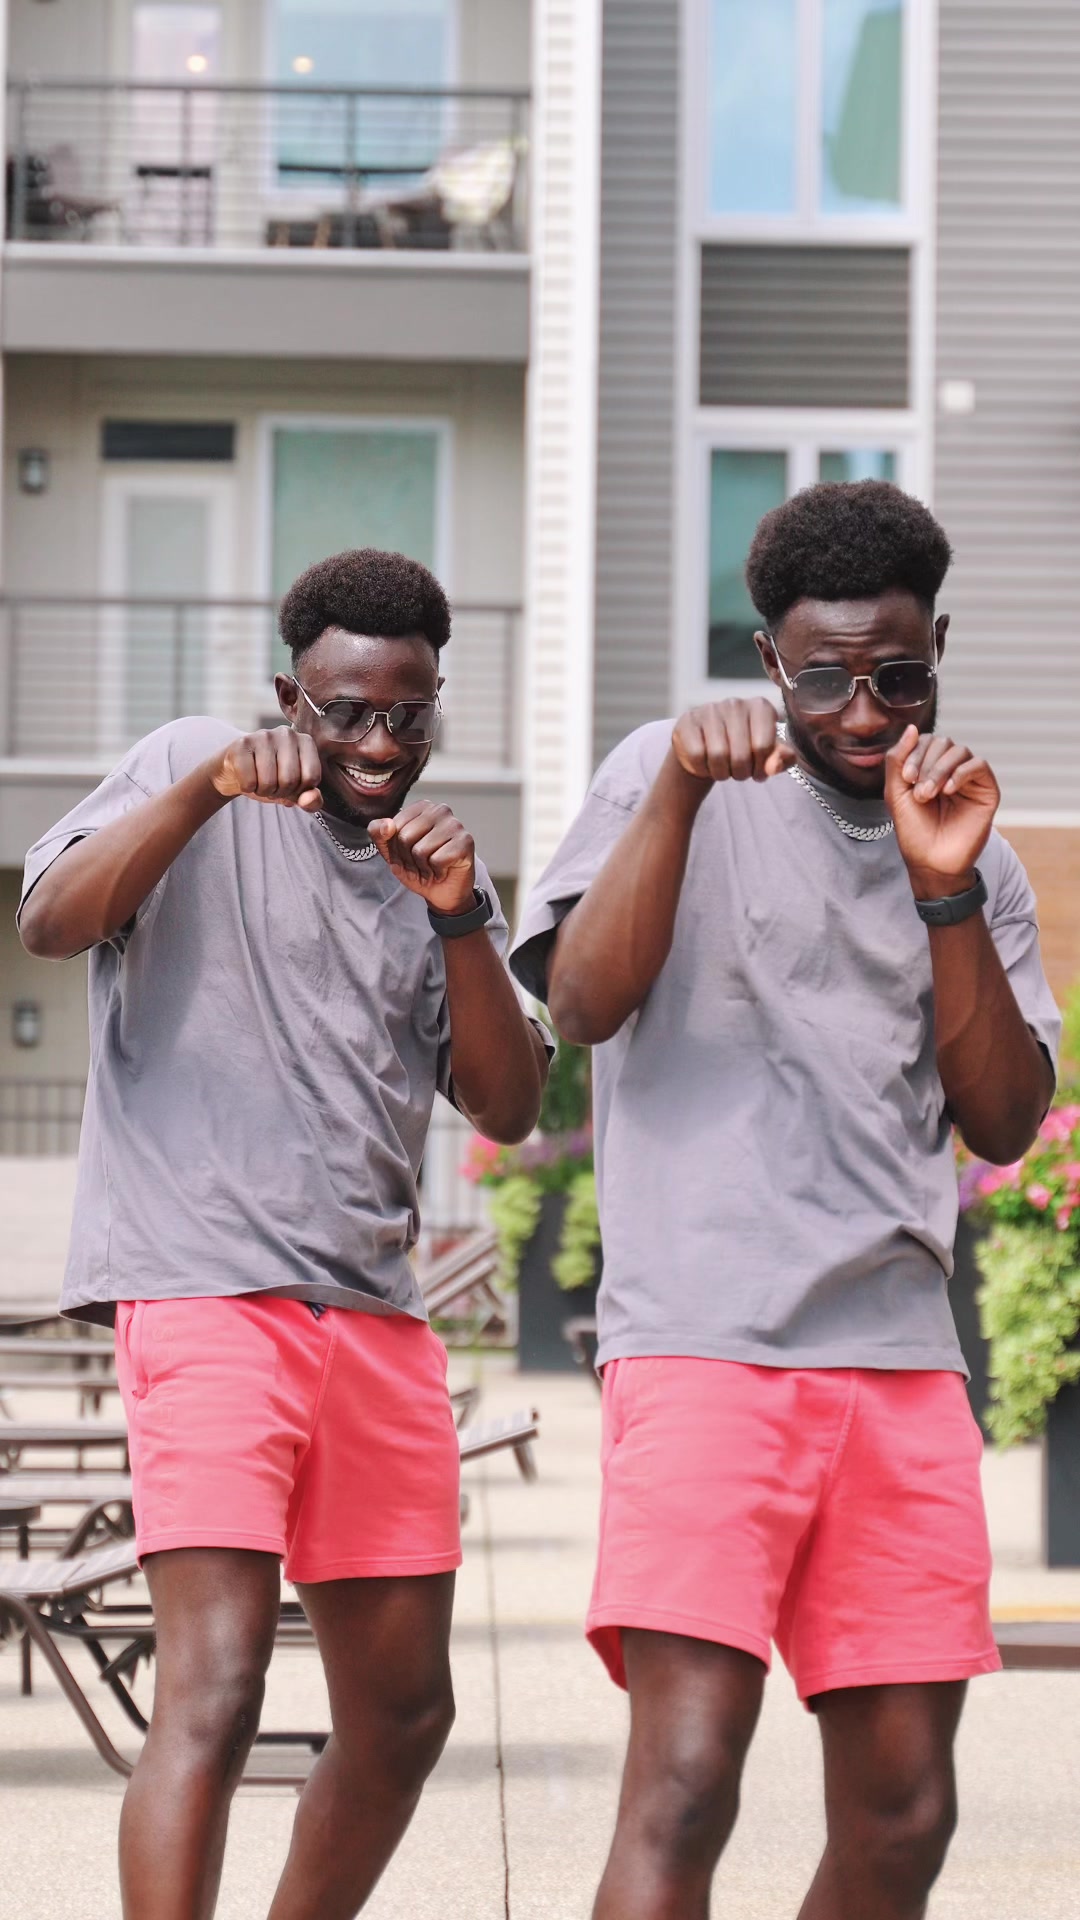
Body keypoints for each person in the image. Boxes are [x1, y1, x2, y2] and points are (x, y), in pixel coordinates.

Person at [509, 481, 1061, 1920]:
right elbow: (582, 1004)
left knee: (905, 1814)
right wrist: (681, 793)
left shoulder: (981, 850)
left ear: (937, 649)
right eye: (824, 678)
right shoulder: (664, 773)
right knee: (688, 1779)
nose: (863, 711)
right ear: (768, 659)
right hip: (704, 1349)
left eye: (898, 676)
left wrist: (946, 893)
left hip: (899, 1367)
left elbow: (1005, 1119)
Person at [18, 547, 550, 1920]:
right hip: (205, 1295)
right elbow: (53, 922)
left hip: (373, 1318)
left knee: (407, 1713)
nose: (379, 743)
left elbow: (508, 1101)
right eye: (345, 711)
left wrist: (460, 919)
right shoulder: (191, 767)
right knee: (217, 1682)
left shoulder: (436, 870)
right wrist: (203, 791)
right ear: (286, 697)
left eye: (408, 714)